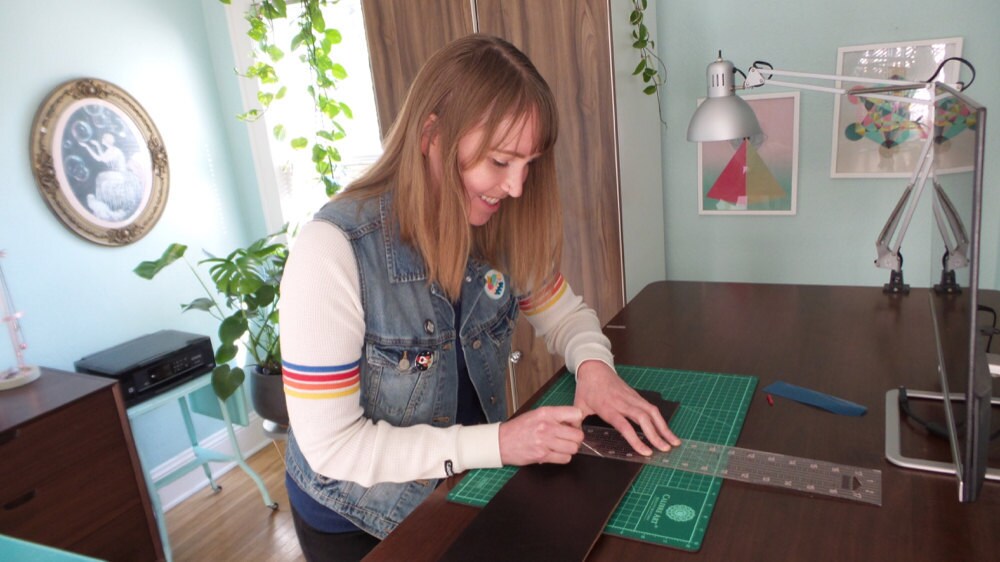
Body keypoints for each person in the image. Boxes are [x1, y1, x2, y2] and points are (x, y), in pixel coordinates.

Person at [279, 34, 680, 560]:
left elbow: (568, 318)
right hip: (353, 519)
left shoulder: (496, 229)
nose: (516, 188)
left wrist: (593, 369)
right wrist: (501, 443)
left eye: (528, 163)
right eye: (500, 161)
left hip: (459, 483)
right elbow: (333, 447)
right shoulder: (330, 252)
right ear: (431, 136)